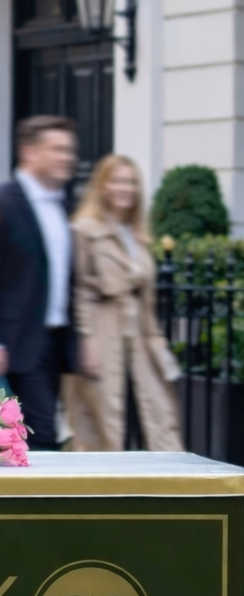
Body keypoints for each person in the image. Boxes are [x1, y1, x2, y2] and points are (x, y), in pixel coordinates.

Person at [0, 115, 78, 449]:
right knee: (32, 435)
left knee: (28, 437)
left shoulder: (65, 206)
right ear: (29, 152)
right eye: (57, 149)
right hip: (12, 343)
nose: (67, 157)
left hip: (54, 340)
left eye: (70, 150)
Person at [67, 154, 182, 452]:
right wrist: (86, 340)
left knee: (160, 415)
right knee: (102, 424)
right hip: (102, 333)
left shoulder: (139, 235)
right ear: (102, 185)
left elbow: (148, 299)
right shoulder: (84, 230)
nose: (125, 188)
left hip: (140, 340)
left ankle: (168, 490)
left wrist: (158, 344)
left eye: (131, 181)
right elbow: (78, 290)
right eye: (117, 180)